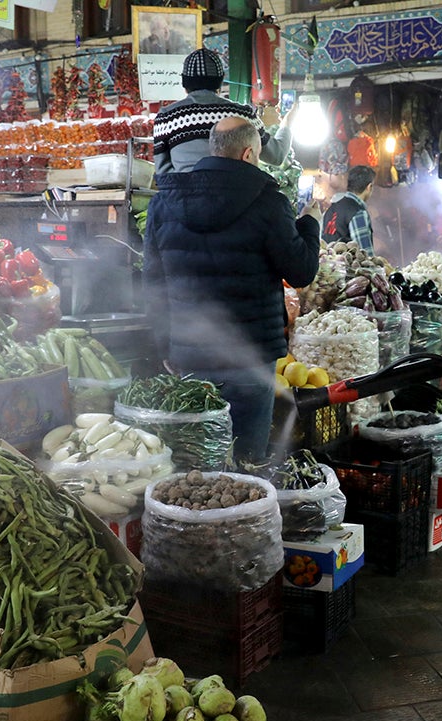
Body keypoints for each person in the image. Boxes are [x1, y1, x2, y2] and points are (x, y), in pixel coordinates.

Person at [143, 116, 321, 461]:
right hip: (249, 356)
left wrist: (165, 344)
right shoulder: (269, 202)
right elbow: (301, 271)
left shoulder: (164, 203)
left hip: (190, 352)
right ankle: (244, 513)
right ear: (248, 154)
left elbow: (153, 283)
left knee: (197, 456)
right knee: (248, 459)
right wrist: (310, 223)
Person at [152, 49, 295, 176]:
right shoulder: (243, 115)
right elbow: (277, 156)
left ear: (185, 85)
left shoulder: (166, 117)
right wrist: (288, 123)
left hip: (185, 202)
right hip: (237, 201)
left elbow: (163, 175)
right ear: (219, 84)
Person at [322, 166, 376, 253]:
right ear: (369, 187)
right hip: (348, 266)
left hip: (327, 265)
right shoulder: (357, 212)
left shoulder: (330, 210)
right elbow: (366, 253)